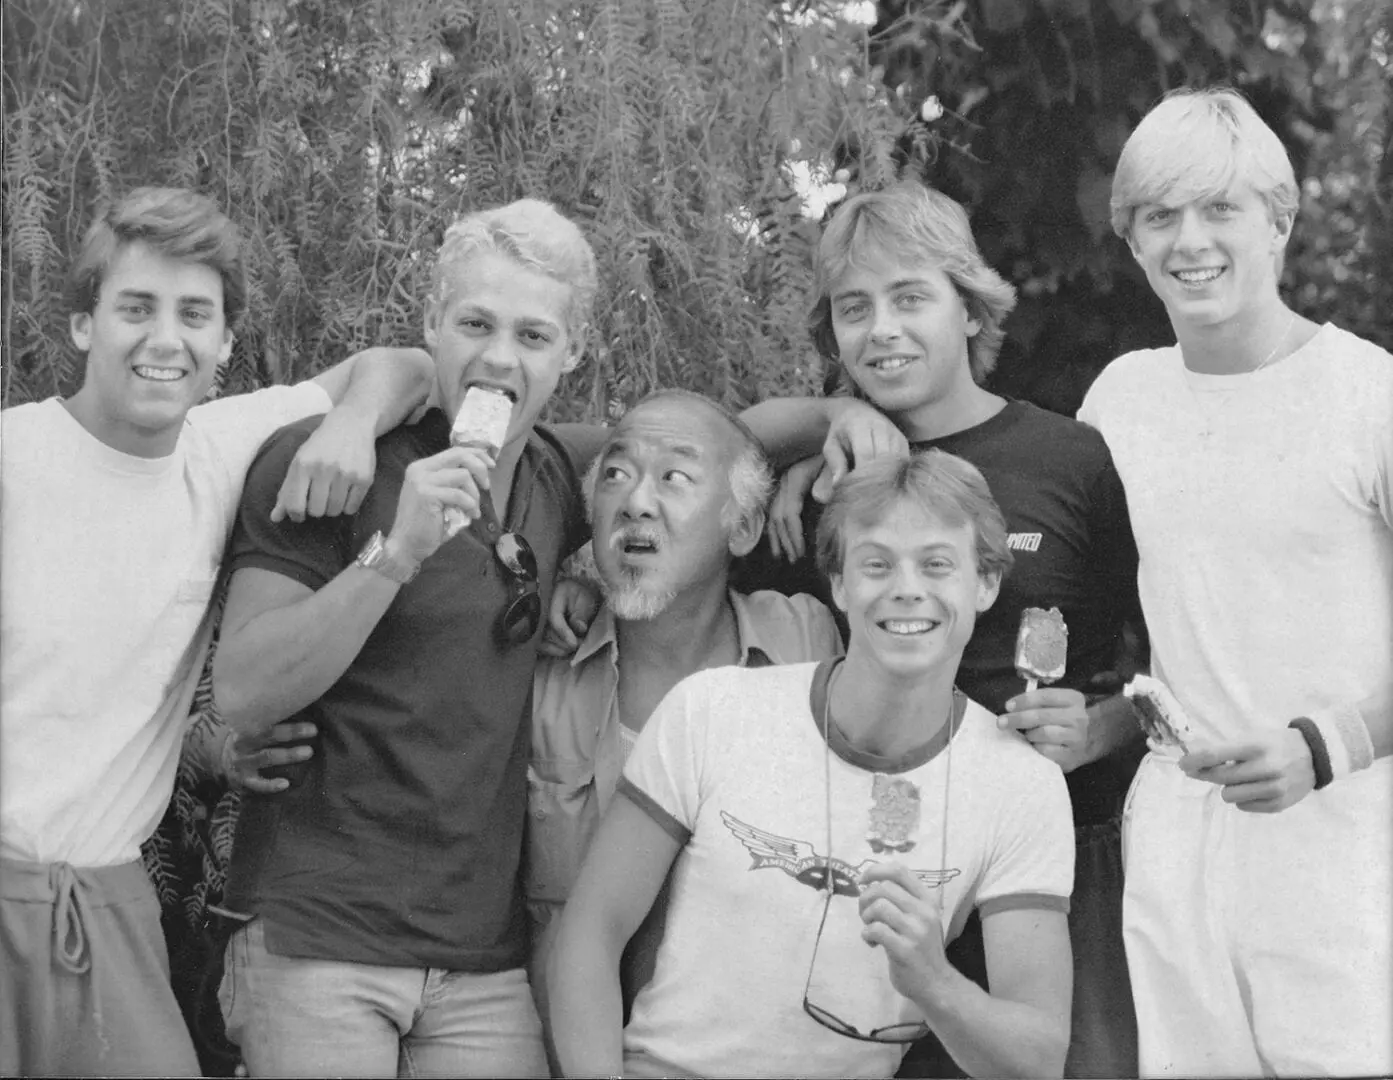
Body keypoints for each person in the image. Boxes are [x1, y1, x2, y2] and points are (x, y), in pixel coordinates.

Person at [206, 198, 890, 1078]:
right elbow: (245, 692)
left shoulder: (554, 478)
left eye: (532, 335)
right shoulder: (326, 461)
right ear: (432, 327)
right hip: (320, 936)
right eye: (475, 324)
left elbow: (711, 450)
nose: (498, 356)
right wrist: (397, 549)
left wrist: (842, 422)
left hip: (483, 966)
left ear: (571, 354)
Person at [0, 185, 435, 1078]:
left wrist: (348, 424)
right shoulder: (15, 464)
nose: (167, 339)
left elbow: (407, 367)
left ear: (226, 345)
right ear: (83, 326)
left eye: (194, 314)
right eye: (136, 308)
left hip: (105, 902)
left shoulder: (221, 448)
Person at [737, 179, 1145, 1077]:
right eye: (854, 308)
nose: (881, 328)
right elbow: (702, 456)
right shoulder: (831, 479)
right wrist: (831, 417)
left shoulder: (1069, 458)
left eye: (910, 297)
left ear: (968, 308)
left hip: (1053, 860)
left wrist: (1103, 724)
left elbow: (1157, 660)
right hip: (874, 861)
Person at [548, 450, 1075, 1080]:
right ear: (840, 584)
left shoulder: (1021, 785)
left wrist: (933, 980)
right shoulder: (715, 709)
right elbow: (591, 929)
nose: (907, 587)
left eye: (937, 564)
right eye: (876, 563)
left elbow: (1038, 1057)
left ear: (984, 584)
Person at [1078, 87, 1392, 1078]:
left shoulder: (1369, 395)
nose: (1190, 241)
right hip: (1181, 842)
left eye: (1221, 209)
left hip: (1348, 838)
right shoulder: (1119, 400)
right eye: (1160, 216)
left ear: (1279, 221)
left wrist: (1323, 747)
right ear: (1131, 243)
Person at [526, 389, 845, 1001]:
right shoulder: (540, 672)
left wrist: (839, 422)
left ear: (745, 526)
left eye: (675, 476)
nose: (636, 501)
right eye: (615, 475)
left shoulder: (806, 642)